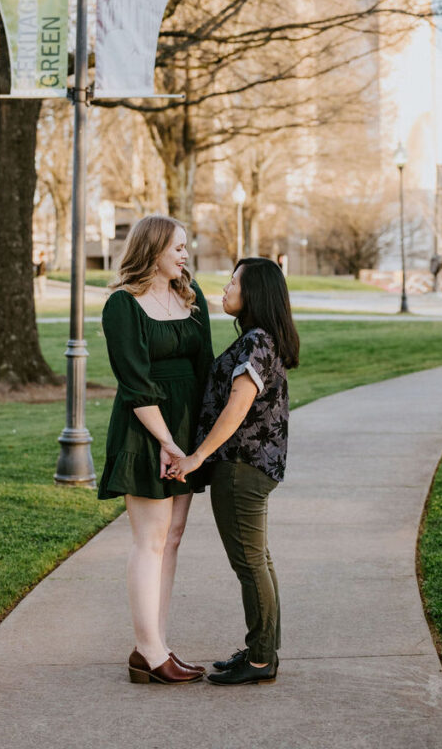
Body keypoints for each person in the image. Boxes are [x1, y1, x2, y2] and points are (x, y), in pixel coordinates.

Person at [169, 257, 299, 686]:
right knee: (258, 559)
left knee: (250, 564)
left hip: (241, 467)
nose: (225, 289)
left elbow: (237, 407)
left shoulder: (256, 342)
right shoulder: (262, 339)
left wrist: (196, 457)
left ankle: (261, 660)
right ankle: (264, 650)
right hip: (253, 466)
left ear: (254, 293)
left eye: (233, 282)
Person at [98, 215, 214, 685]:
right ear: (153, 248)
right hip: (146, 429)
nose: (185, 255)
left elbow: (205, 365)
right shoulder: (121, 306)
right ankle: (149, 652)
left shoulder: (191, 295)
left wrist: (200, 442)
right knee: (150, 539)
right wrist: (166, 442)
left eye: (186, 247)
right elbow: (134, 382)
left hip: (186, 428)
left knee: (174, 537)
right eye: (178, 247)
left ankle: (157, 642)